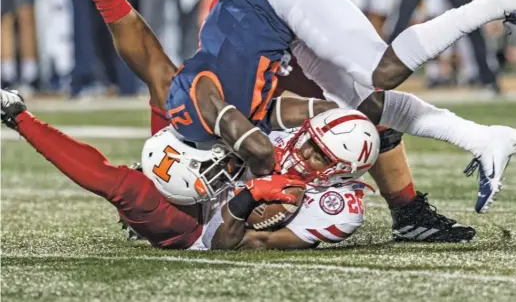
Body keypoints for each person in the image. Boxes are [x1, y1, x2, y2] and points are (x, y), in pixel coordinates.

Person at [68, 0, 516, 217]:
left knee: (384, 71)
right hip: (278, 21)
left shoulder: (207, 116)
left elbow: (260, 150)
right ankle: (483, 138)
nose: (223, 178)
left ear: (199, 154)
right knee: (369, 104)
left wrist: (267, 189)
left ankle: (494, 1)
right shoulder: (184, 104)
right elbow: (147, 56)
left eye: (214, 176)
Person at [208, 0, 516, 214]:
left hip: (282, 5)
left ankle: (481, 130)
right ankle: (485, 128)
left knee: (371, 88)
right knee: (373, 85)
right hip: (263, 13)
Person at [0, 88, 387, 250]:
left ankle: (16, 115)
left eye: (319, 155)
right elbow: (261, 108)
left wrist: (248, 198)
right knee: (170, 89)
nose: (302, 153)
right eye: (307, 140)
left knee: (126, 187)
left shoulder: (339, 209)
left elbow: (238, 244)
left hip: (200, 229)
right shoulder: (302, 131)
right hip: (209, 168)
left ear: (343, 172)